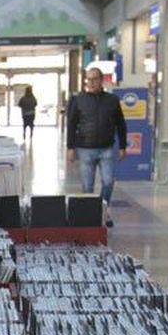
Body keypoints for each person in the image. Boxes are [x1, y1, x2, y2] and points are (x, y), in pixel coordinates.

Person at [65, 67, 128, 226]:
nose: (91, 83)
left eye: (94, 79)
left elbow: (120, 123)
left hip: (106, 148)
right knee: (88, 186)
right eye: (88, 79)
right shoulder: (78, 100)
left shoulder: (112, 100)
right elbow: (71, 124)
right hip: (85, 149)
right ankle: (90, 216)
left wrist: (122, 145)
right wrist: (70, 148)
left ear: (102, 80)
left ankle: (103, 211)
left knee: (108, 182)